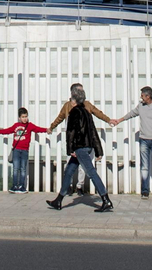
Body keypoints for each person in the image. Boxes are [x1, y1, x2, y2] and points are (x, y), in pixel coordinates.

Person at [45, 83, 114, 212]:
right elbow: (93, 131)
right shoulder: (85, 112)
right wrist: (98, 149)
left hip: (80, 147)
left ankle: (106, 200)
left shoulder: (74, 112)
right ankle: (58, 200)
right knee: (69, 172)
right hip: (86, 146)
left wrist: (71, 150)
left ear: (74, 98)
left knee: (91, 172)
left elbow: (70, 132)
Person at [0, 107, 48, 193]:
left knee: (23, 168)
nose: (25, 118)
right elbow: (8, 130)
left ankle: (22, 187)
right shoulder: (16, 125)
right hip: (16, 149)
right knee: (16, 168)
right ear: (19, 118)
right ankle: (14, 186)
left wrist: (46, 130)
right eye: (23, 117)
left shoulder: (30, 125)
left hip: (24, 150)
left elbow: (38, 129)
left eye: (26, 116)